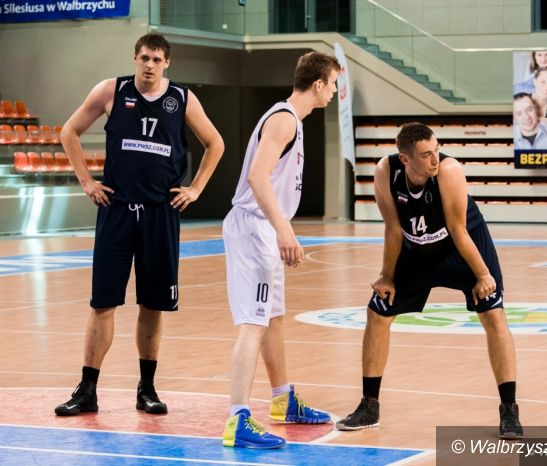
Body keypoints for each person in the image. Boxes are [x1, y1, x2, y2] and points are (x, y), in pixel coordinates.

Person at [54, 33, 224, 416]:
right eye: (145, 58)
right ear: (135, 58)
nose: (150, 65)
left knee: (153, 304)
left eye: (157, 60)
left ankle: (146, 389)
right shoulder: (111, 91)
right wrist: (86, 181)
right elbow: (69, 132)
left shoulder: (181, 98)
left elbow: (216, 143)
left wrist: (196, 188)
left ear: (167, 63)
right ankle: (87, 389)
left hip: (160, 213)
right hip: (116, 209)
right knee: (103, 303)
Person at [335, 122, 524, 439]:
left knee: (494, 315)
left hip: (461, 248)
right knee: (378, 312)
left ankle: (509, 410)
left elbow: (458, 230)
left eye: (437, 150)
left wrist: (483, 275)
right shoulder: (386, 171)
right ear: (405, 159)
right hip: (416, 251)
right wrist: (387, 276)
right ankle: (369, 406)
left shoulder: (449, 171)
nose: (435, 159)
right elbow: (393, 228)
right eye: (426, 155)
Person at [221, 51, 342, 449]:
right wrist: (283, 228)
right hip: (254, 228)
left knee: (272, 318)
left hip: (263, 229)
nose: (335, 91)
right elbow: (257, 176)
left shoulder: (293, 120)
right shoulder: (284, 119)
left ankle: (282, 400)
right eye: (333, 83)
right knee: (253, 322)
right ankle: (238, 418)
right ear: (319, 84)